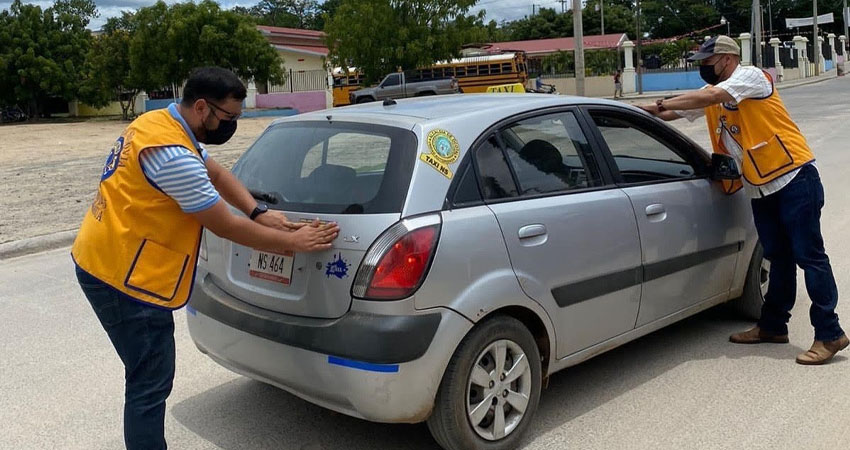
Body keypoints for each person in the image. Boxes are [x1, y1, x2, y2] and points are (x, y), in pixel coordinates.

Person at [71, 67, 340, 449]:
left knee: (146, 375)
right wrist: (295, 243)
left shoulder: (160, 122)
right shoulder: (171, 156)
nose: (231, 125)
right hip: (124, 278)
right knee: (149, 383)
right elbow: (223, 225)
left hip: (103, 253)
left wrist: (258, 211)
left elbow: (215, 173)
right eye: (228, 118)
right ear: (202, 107)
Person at [638, 36, 847, 365]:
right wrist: (629, 111)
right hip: (760, 185)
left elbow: (712, 94)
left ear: (726, 59)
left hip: (793, 177)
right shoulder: (712, 98)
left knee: (810, 257)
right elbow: (671, 112)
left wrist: (666, 103)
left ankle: (830, 333)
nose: (702, 68)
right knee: (777, 257)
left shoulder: (749, 77)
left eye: (707, 62)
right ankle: (773, 326)